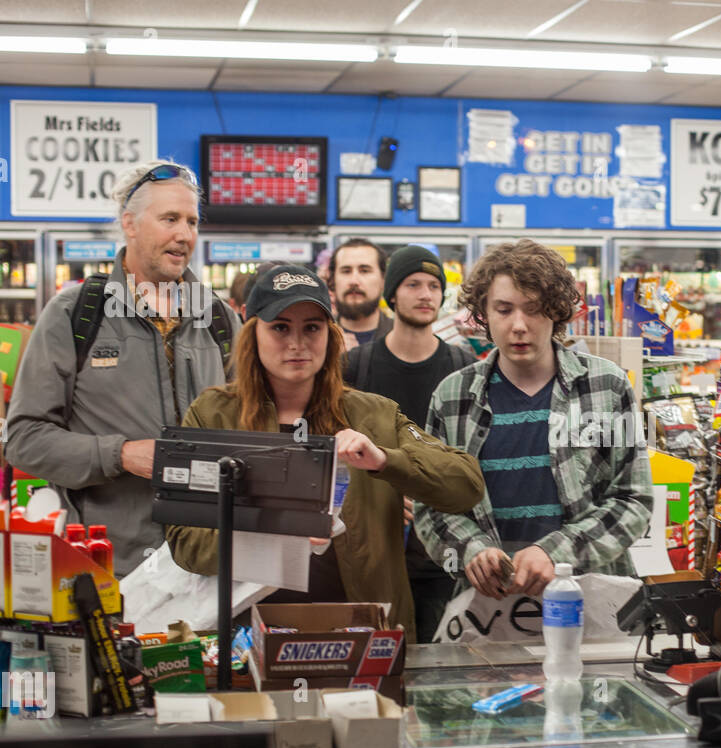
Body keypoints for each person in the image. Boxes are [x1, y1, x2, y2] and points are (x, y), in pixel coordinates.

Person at [165, 264, 485, 643]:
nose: (297, 343)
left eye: (312, 328)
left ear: (331, 337)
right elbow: (184, 541)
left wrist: (384, 460)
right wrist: (282, 534)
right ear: (253, 334)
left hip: (364, 639)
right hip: (248, 641)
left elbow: (466, 483)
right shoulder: (213, 414)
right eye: (280, 327)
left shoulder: (373, 414)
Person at [6, 160, 240, 576]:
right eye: (169, 219)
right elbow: (23, 438)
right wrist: (121, 455)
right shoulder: (75, 314)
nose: (184, 235)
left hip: (210, 565)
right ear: (129, 224)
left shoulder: (218, 318)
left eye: (191, 221)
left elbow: (253, 428)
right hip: (109, 567)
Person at [414, 239, 653, 610]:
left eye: (534, 309)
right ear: (483, 313)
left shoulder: (606, 385)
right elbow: (431, 504)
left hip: (592, 600)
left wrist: (556, 552)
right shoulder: (452, 397)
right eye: (504, 310)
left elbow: (632, 499)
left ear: (556, 312)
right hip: (489, 609)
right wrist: (472, 550)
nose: (519, 326)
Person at [345, 245, 475, 643]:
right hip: (376, 546)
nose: (425, 294)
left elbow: (467, 456)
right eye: (413, 284)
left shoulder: (461, 367)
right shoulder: (356, 366)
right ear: (391, 294)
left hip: (440, 553)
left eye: (434, 285)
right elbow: (339, 451)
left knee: (442, 666)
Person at [330, 238, 390, 349]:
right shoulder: (318, 337)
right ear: (333, 280)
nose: (354, 281)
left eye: (364, 271)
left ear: (383, 280)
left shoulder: (403, 340)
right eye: (346, 271)